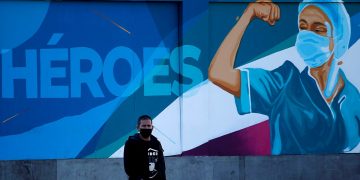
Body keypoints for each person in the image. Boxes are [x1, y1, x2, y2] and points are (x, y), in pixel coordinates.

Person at [208, 0, 360, 154]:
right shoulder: (283, 82)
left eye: (319, 29)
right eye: (303, 27)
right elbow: (218, 73)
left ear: (340, 40)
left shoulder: (353, 98)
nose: (307, 35)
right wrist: (249, 14)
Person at [124, 115, 166, 180]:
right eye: (144, 126)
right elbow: (128, 168)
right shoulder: (131, 143)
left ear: (152, 127)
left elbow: (161, 166)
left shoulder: (156, 143)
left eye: (149, 126)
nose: (146, 128)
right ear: (138, 128)